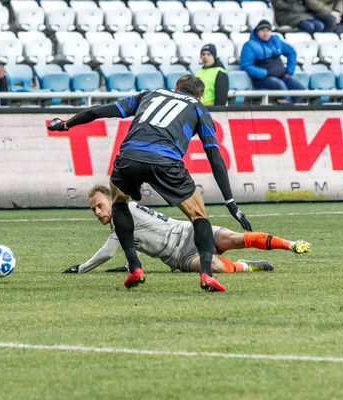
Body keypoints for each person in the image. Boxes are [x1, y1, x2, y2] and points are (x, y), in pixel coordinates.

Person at [48, 75, 252, 292]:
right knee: (199, 217)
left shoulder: (149, 94)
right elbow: (214, 156)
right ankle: (206, 275)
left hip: (129, 157)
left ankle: (134, 267)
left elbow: (98, 111)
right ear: (199, 95)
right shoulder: (199, 108)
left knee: (118, 204)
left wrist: (65, 124)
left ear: (175, 87)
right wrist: (230, 201)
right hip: (166, 162)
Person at [63, 184, 311, 274]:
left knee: (235, 238)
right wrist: (130, 265)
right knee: (213, 266)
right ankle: (247, 265)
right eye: (93, 209)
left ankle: (291, 244)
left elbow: (107, 253)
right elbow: (140, 240)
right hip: (179, 257)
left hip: (187, 232)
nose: (97, 212)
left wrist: (80, 269)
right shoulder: (125, 215)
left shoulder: (123, 212)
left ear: (112, 200)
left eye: (100, 206)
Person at [240, 20, 304, 105]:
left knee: (299, 89)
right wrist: (263, 73)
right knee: (279, 85)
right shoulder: (250, 45)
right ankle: (288, 109)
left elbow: (291, 52)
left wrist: (289, 71)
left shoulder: (276, 41)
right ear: (257, 32)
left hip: (281, 76)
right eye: (262, 30)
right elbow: (246, 65)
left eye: (268, 30)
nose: (265, 33)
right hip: (262, 80)